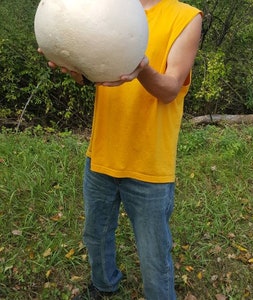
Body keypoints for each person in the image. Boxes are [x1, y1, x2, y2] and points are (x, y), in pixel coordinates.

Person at [41, 0, 203, 299]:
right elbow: (98, 71)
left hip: (149, 163)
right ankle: (104, 286)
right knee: (96, 236)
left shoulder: (186, 17)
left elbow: (170, 90)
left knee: (154, 255)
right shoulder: (105, 5)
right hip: (102, 153)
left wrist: (140, 69)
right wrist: (76, 68)